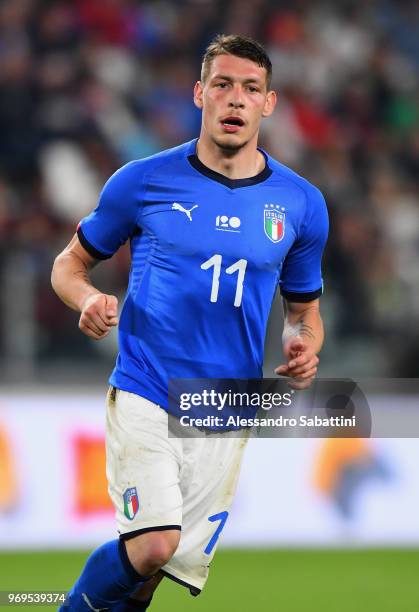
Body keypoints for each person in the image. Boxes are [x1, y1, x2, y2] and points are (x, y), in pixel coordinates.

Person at [51, 34, 328, 611]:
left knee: (152, 571)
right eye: (222, 85)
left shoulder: (300, 204)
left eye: (250, 88)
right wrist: (86, 299)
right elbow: (69, 264)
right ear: (199, 93)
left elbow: (303, 313)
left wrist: (301, 344)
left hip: (224, 405)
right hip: (147, 386)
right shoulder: (143, 180)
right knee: (153, 545)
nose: (235, 99)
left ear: (268, 103)